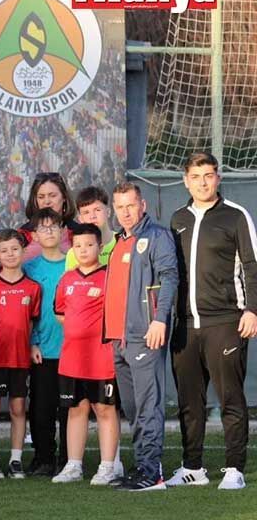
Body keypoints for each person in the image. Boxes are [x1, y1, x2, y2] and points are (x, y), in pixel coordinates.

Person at [168, 151, 256, 490]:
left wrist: (252, 310)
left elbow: (252, 266)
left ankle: (234, 469)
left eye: (208, 175)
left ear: (218, 178)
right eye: (196, 176)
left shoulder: (236, 216)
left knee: (230, 397)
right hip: (185, 326)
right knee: (189, 402)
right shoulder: (177, 219)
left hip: (226, 322)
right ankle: (193, 467)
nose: (202, 183)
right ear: (185, 181)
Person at [105, 183, 178, 492]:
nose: (125, 212)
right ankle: (142, 466)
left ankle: (152, 472)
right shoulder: (119, 241)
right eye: (120, 207)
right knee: (133, 408)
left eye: (131, 205)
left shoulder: (157, 236)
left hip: (145, 334)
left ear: (143, 205)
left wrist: (159, 320)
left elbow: (169, 277)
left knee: (148, 406)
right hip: (118, 339)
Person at [52, 224, 120, 485]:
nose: (83, 250)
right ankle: (74, 465)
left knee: (104, 408)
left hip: (102, 357)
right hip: (72, 358)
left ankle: (108, 466)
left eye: (89, 245)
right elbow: (60, 313)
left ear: (100, 247)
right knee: (75, 409)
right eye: (78, 245)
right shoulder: (67, 279)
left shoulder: (109, 276)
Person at [0, 229, 42, 480]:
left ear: (23, 251)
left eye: (15, 249)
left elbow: (33, 322)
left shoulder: (33, 288)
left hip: (19, 358)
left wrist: (33, 346)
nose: (10, 254)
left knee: (18, 407)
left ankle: (16, 460)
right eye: (4, 250)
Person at [22, 208, 68, 476]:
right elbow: (25, 312)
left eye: (54, 226)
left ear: (63, 231)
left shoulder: (73, 264)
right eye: (43, 228)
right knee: (41, 409)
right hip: (42, 350)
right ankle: (43, 458)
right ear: (35, 236)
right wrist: (32, 342)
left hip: (70, 350)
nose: (49, 232)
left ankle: (68, 459)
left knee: (69, 409)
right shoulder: (29, 269)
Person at [19, 172, 78, 253]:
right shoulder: (24, 234)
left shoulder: (78, 232)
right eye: (41, 197)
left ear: (64, 197)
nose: (47, 201)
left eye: (52, 196)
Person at [66, 186, 116, 270]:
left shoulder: (122, 242)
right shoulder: (74, 253)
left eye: (97, 210)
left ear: (108, 212)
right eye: (86, 212)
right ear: (80, 219)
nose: (92, 216)